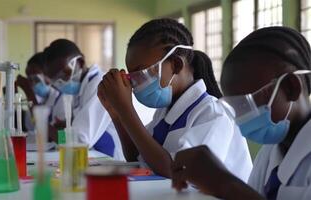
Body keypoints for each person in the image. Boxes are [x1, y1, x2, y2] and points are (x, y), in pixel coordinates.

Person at [97, 18, 252, 179]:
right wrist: (116, 113)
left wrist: (126, 109)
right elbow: (137, 156)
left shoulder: (213, 115)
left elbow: (177, 171)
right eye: (133, 77)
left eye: (141, 74)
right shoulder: (165, 111)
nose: (136, 84)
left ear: (176, 65)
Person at [171, 27, 311, 200]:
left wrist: (225, 183)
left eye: (246, 104)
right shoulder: (271, 152)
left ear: (291, 88)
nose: (240, 119)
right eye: (234, 107)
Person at [43, 39, 124, 160]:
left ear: (80, 62)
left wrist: (43, 125)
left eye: (63, 75)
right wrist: (67, 125)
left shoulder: (100, 85)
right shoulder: (80, 88)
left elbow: (79, 141)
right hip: (94, 156)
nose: (60, 83)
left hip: (111, 158)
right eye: (55, 81)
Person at [16, 52, 65, 132]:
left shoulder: (62, 99)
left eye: (36, 79)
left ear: (49, 76)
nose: (32, 84)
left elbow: (61, 138)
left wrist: (29, 92)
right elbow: (32, 126)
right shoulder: (39, 99)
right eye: (29, 79)